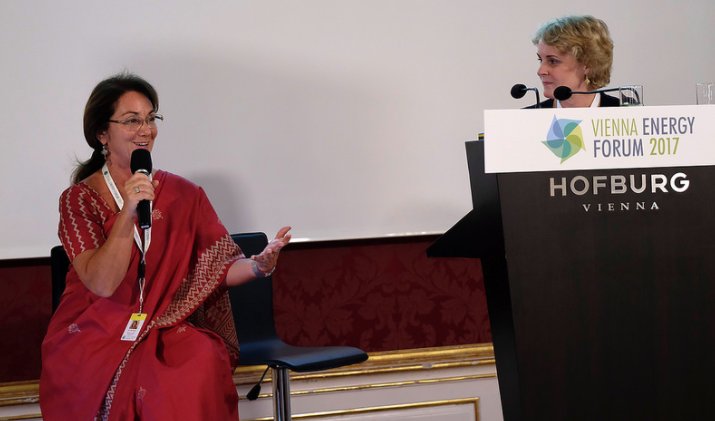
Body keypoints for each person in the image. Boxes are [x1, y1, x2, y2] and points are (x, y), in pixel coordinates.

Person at [40, 73, 292, 420]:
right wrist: (128, 211)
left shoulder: (184, 194)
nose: (145, 130)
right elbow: (102, 283)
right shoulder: (79, 200)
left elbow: (217, 267)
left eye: (150, 118)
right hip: (96, 330)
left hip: (167, 325)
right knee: (127, 382)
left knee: (200, 356)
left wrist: (257, 266)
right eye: (132, 121)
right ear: (102, 134)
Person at [531, 15, 617, 108]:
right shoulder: (527, 116)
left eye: (552, 61)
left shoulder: (626, 112)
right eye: (540, 60)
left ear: (588, 65)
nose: (540, 71)